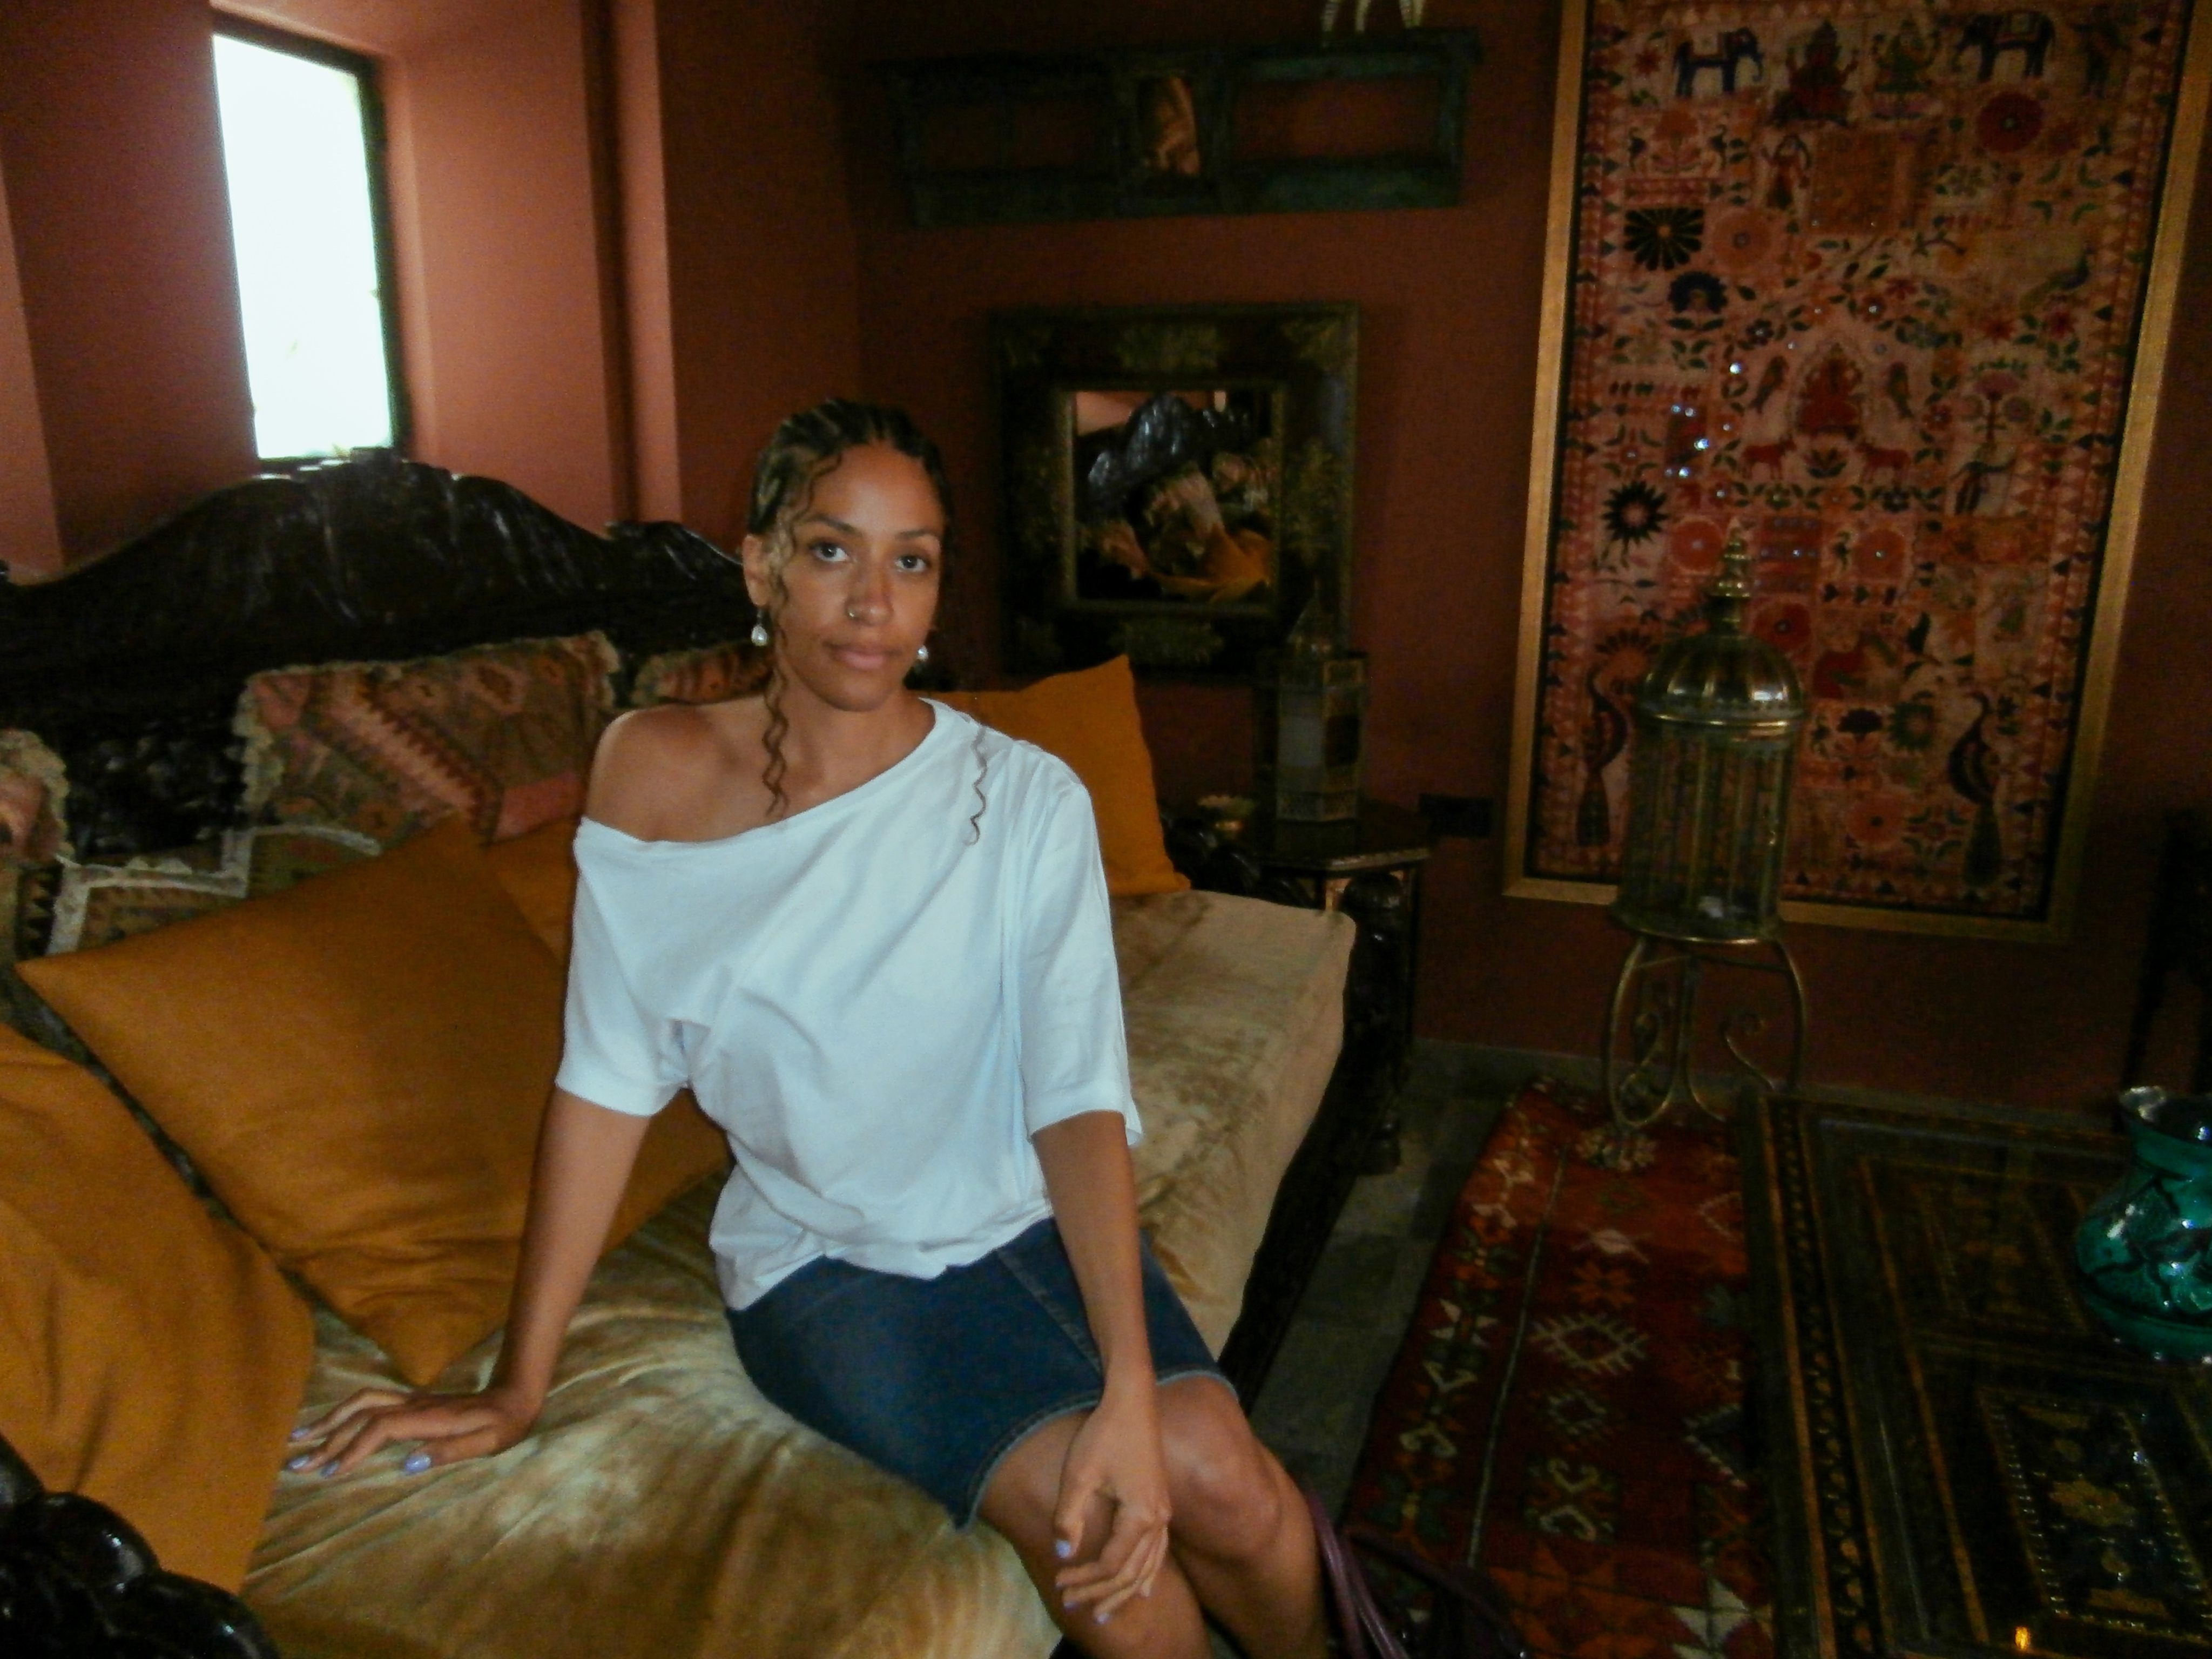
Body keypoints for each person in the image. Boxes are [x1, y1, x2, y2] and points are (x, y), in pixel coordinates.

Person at [287, 400, 1329, 1659]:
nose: (872, 602)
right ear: (761, 566)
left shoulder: (1020, 801)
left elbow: (1073, 1096)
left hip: (1027, 1220)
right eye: (832, 550)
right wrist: (519, 1384)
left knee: (1223, 1477)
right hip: (825, 1271)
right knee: (1119, 1589)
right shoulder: (650, 771)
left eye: (912, 560)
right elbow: (606, 1080)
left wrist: (1124, 1386)